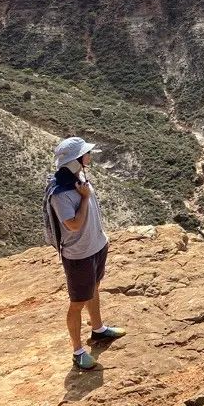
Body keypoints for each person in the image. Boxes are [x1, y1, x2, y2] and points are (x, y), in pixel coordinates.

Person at [45, 136, 126, 370]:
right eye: (86, 154)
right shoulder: (61, 192)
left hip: (96, 245)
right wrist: (85, 198)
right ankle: (77, 352)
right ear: (75, 160)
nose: (90, 156)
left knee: (94, 288)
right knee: (77, 303)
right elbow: (72, 225)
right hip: (79, 254)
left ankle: (98, 329)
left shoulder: (77, 179)